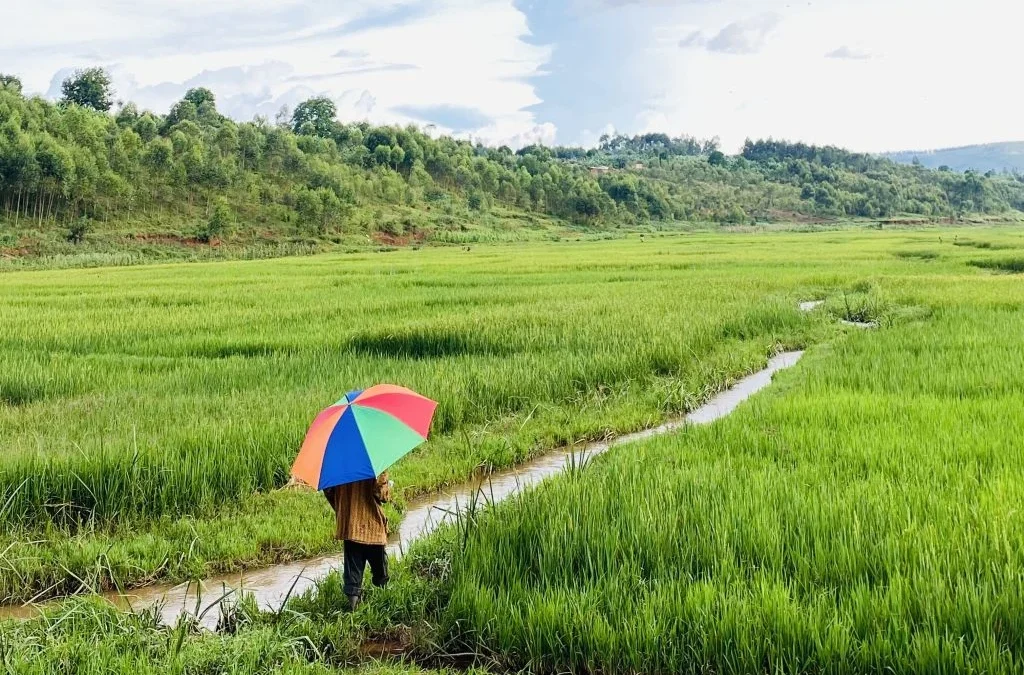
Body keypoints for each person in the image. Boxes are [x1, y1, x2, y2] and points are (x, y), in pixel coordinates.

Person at [323, 471, 391, 610]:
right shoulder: (373, 465)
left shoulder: (337, 466)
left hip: (350, 526)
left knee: (353, 570)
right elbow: (382, 495)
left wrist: (343, 509)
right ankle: (385, 601)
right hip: (372, 526)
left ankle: (353, 609)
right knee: (380, 569)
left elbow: (329, 491)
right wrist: (387, 485)